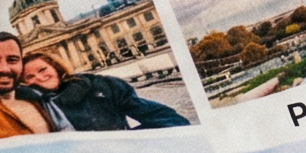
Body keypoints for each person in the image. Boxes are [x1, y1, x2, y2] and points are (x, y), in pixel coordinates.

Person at [16, 53, 191, 132]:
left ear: (56, 67)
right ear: (25, 83)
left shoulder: (102, 86)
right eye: (30, 76)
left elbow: (160, 115)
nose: (38, 77)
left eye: (42, 69)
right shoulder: (33, 107)